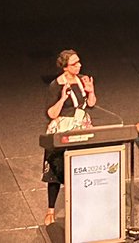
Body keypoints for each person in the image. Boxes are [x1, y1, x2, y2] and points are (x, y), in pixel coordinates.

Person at [41, 49, 97, 226]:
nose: (79, 65)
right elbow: (51, 113)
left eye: (79, 62)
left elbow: (91, 104)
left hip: (81, 126)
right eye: (75, 63)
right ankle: (50, 210)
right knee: (56, 170)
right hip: (63, 127)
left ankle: (80, 204)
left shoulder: (82, 81)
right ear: (65, 67)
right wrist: (62, 98)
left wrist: (91, 91)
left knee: (80, 167)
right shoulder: (56, 85)